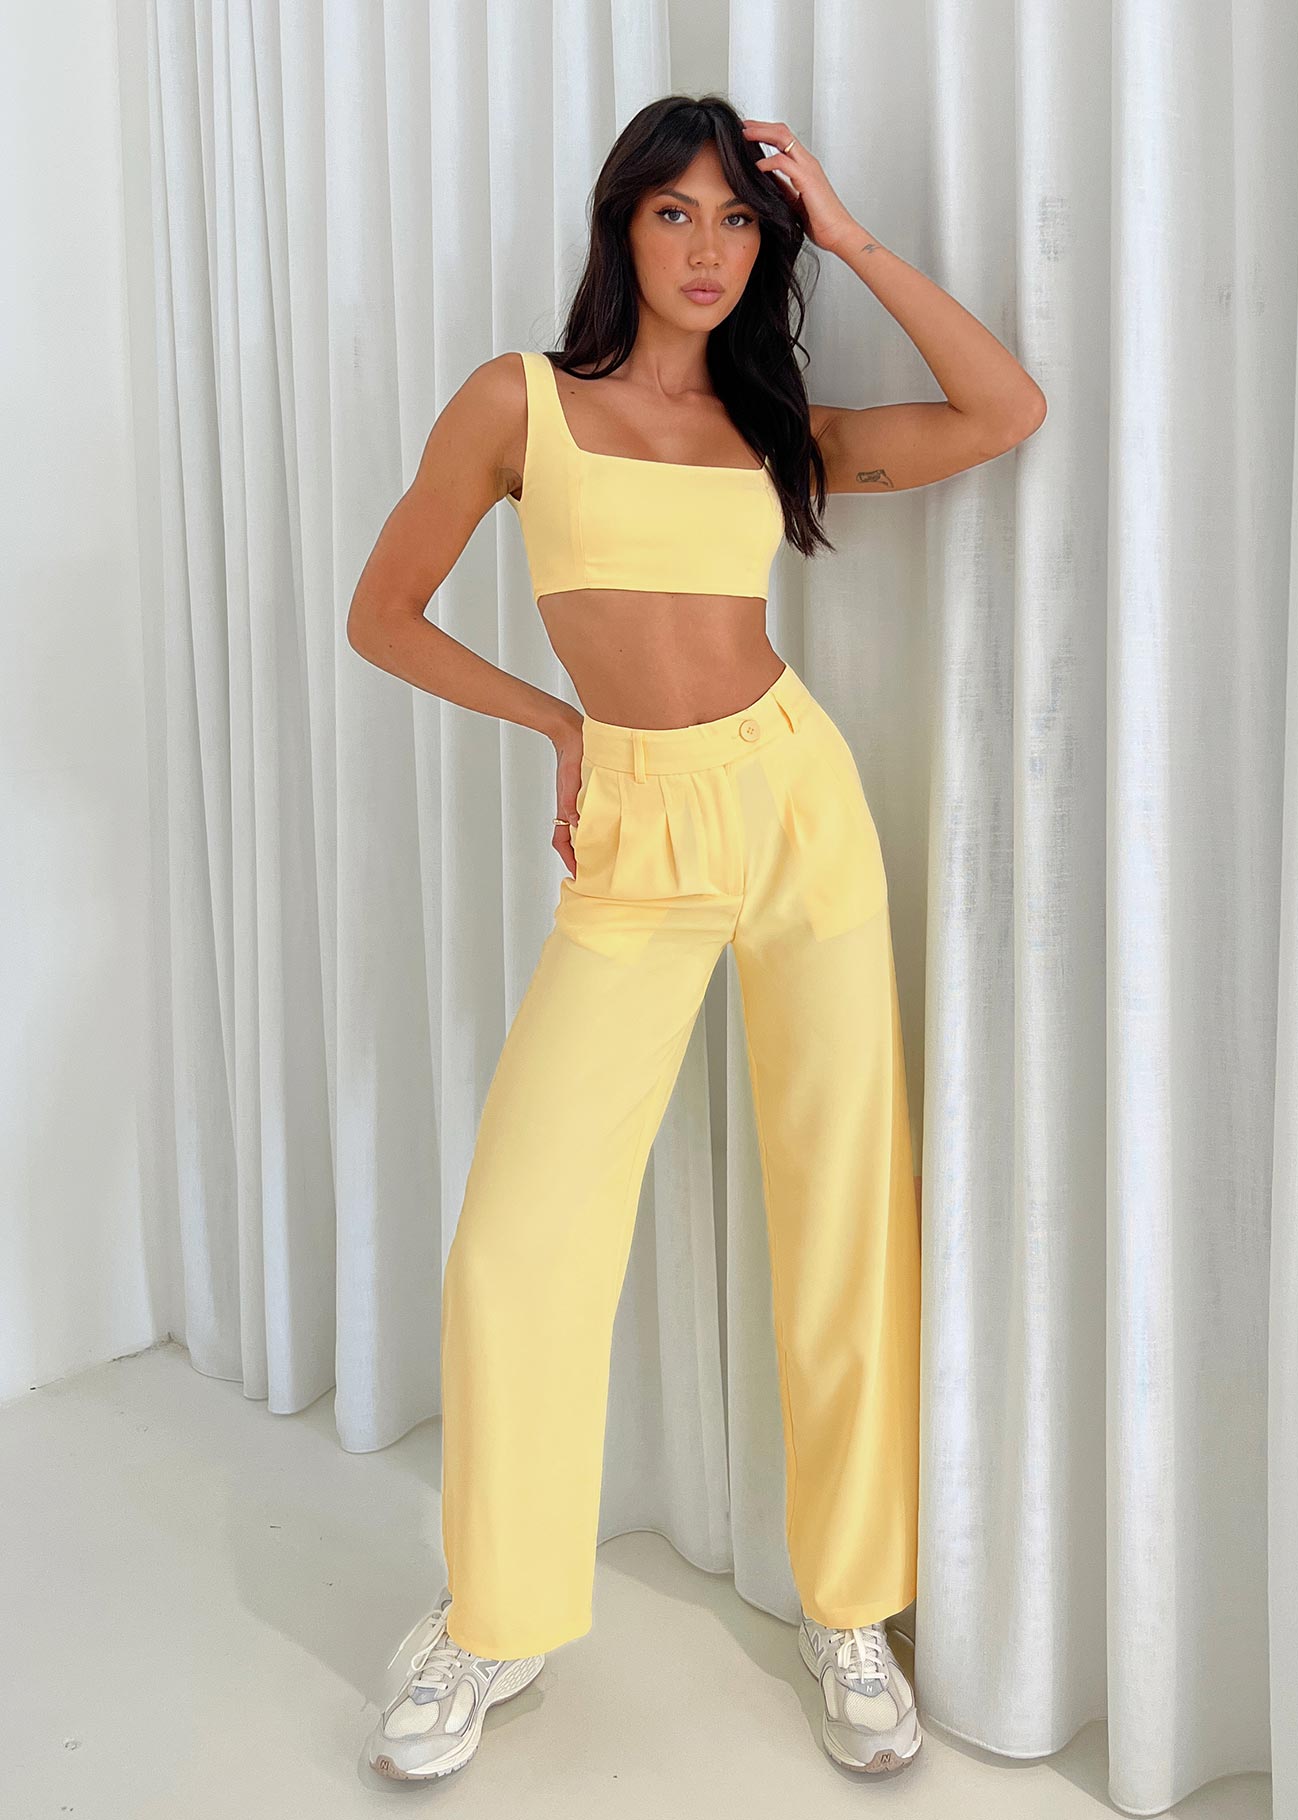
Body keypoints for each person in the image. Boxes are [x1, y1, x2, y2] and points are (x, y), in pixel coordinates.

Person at [347, 92, 1045, 1784]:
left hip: (795, 799)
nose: (710, 247)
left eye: (740, 218)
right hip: (636, 829)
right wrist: (558, 724)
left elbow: (1003, 410)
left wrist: (851, 234)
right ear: (623, 227)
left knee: (842, 1206)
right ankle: (494, 1614)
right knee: (521, 1239)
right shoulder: (519, 403)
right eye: (677, 213)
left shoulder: (772, 425)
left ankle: (849, 1610)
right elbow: (382, 613)